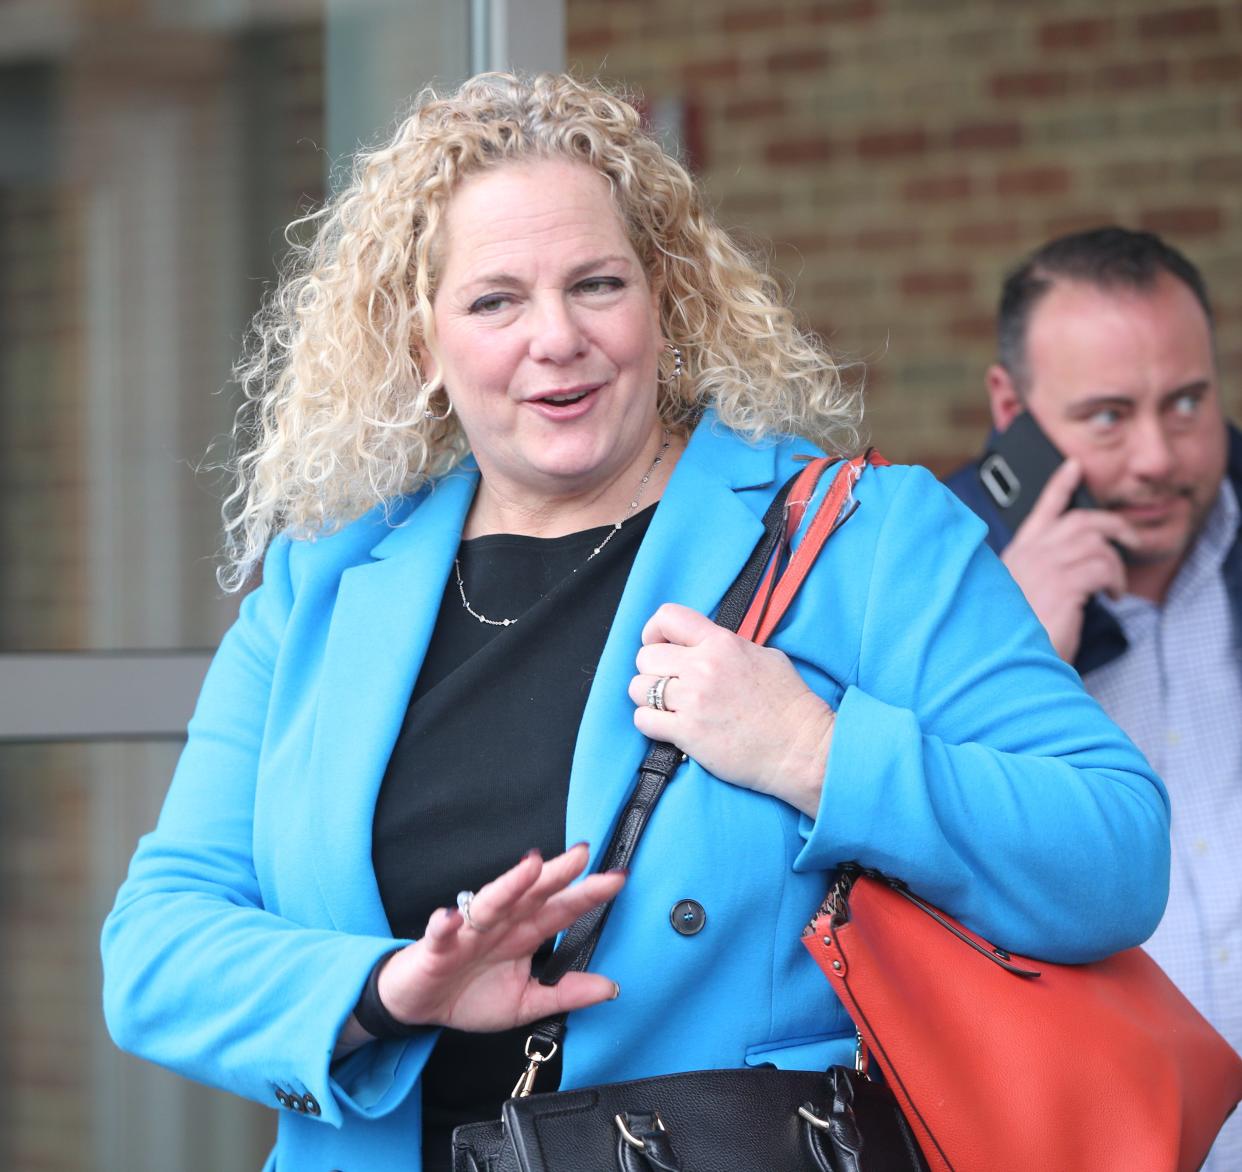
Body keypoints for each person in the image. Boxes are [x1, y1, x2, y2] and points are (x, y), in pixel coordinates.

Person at [102, 76, 1170, 1172]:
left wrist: (815, 752)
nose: (555, 337)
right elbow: (156, 946)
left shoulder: (862, 540)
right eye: (494, 301)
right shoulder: (320, 585)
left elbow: (1114, 851)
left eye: (597, 283)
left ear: (665, 297)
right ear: (421, 343)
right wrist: (387, 989)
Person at [945, 226, 1241, 1170]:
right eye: (1109, 416)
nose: (1157, 456)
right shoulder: (935, 587)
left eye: (1187, 402)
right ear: (1010, 408)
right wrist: (1006, 651)